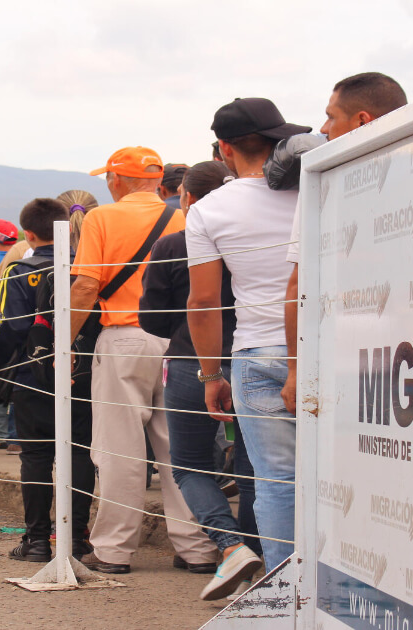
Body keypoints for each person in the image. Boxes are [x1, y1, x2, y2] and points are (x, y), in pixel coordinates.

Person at [69, 145, 217, 574]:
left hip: (125, 339)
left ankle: (114, 550)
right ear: (157, 180)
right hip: (182, 341)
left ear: (115, 179)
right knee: (181, 449)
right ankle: (197, 547)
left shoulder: (101, 218)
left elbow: (85, 286)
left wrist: (65, 340)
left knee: (120, 449)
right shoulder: (184, 217)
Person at [186, 96, 311, 572]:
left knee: (276, 480)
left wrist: (210, 375)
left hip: (256, 351)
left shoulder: (207, 210)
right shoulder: (312, 189)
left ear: (224, 149)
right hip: (322, 346)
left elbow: (203, 302)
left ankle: (284, 588)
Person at [141, 160, 265, 599]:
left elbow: (151, 319)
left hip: (191, 360)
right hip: (257, 355)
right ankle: (257, 564)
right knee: (254, 470)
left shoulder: (174, 245)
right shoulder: (259, 237)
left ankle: (230, 547)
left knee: (190, 466)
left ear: (188, 198)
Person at [0, 197, 97, 562]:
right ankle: (76, 538)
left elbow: (12, 328)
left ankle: (38, 540)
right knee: (80, 453)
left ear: (27, 234)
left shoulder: (20, 271)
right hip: (83, 373)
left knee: (37, 457)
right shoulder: (88, 265)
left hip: (34, 374)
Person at [281, 72, 407, 414]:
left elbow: (298, 285)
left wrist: (295, 371)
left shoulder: (322, 184)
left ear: (362, 120)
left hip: (343, 362)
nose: (324, 129)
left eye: (331, 116)